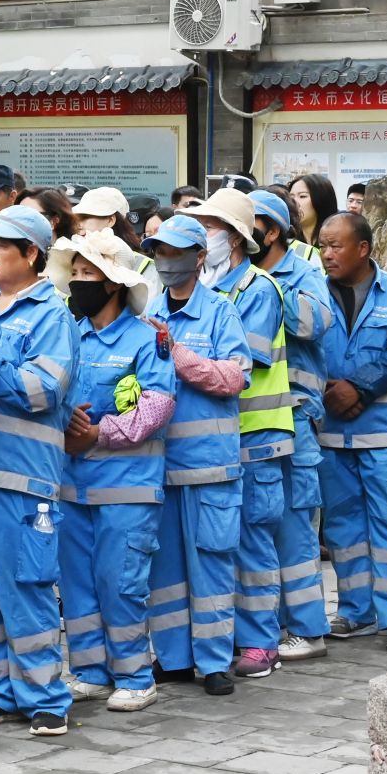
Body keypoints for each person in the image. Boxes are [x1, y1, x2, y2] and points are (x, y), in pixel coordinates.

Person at [0, 206, 76, 734]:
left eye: (1, 246)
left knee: (26, 589)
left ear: (31, 254)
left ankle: (47, 696)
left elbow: (41, 390)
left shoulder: (51, 314)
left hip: (23, 478)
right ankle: (2, 691)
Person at [50, 232, 173, 712]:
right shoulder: (66, 334)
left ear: (114, 284)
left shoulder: (147, 338)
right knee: (76, 583)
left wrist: (97, 433)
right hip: (71, 486)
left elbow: (156, 407)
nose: (78, 282)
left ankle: (135, 675)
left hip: (127, 487)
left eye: (89, 274)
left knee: (120, 583)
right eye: (75, 273)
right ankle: (88, 672)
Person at [179, 189, 292, 682]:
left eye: (211, 227)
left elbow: (243, 361)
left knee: (251, 541)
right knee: (212, 547)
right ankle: (214, 642)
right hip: (209, 440)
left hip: (255, 435)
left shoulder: (256, 289)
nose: (204, 234)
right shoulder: (201, 288)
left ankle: (261, 642)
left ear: (235, 237)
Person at [140, 213, 250, 694]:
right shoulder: (146, 312)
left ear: (199, 257)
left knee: (211, 566)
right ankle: (173, 659)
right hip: (158, 466)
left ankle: (214, 661)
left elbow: (234, 377)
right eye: (159, 253)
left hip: (209, 466)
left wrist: (179, 356)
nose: (166, 261)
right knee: (163, 570)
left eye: (175, 253)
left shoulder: (220, 312)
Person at [316, 212, 387, 652]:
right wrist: (338, 393)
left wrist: (357, 389)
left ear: (362, 248)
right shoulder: (313, 294)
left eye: (336, 245)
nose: (327, 254)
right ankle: (355, 611)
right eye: (322, 246)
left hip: (383, 435)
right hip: (330, 435)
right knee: (342, 528)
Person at [245, 191, 333, 663]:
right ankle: (270, 624)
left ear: (272, 231)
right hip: (253, 421)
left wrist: (267, 289)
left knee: (296, 528)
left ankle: (308, 629)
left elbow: (316, 323)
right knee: (260, 527)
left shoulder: (302, 273)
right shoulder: (232, 276)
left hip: (295, 418)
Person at [286, 174, 337, 264]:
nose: (294, 202)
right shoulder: (285, 243)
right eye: (291, 197)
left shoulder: (339, 241)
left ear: (322, 199)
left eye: (302, 196)